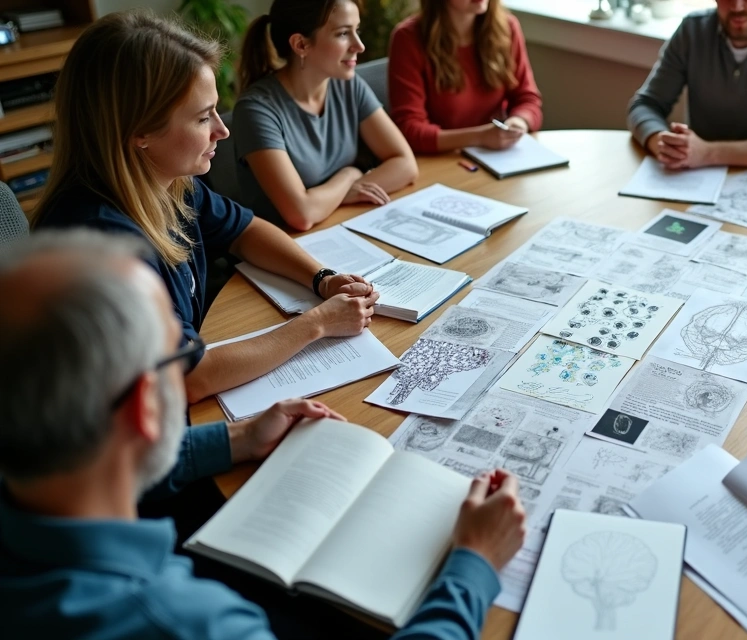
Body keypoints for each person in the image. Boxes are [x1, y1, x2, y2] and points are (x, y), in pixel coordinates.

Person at [0, 229, 528, 639]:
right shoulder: (185, 623)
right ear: (145, 406)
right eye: (182, 356)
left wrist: (234, 439)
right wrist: (474, 565)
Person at [34, 10, 379, 403]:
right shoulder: (103, 242)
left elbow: (245, 230)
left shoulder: (168, 182)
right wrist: (317, 323)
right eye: (202, 118)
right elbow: (189, 378)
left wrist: (322, 279)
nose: (222, 129)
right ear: (141, 132)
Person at [235, 0, 418, 230]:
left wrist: (331, 198)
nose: (359, 46)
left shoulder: (348, 85)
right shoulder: (256, 110)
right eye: (343, 34)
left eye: (356, 30)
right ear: (301, 44)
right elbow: (301, 214)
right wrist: (349, 175)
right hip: (286, 247)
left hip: (338, 225)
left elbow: (405, 165)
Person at [626, 0, 747, 169]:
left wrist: (708, 153)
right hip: (693, 176)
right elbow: (645, 105)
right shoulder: (692, 31)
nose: (737, 6)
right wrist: (663, 143)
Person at [388, 0, 543, 154]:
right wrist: (480, 137)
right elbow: (410, 130)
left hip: (496, 156)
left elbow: (527, 98)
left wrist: (518, 121)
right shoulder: (408, 38)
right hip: (439, 161)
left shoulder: (507, 27)